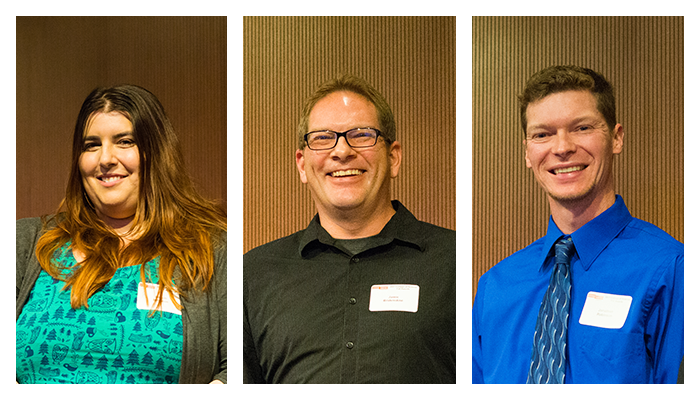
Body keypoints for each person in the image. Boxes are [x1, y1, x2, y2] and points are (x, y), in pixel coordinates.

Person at [472, 65, 683, 384]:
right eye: (542, 134)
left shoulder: (673, 270)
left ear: (616, 138)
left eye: (581, 128)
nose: (561, 147)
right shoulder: (495, 287)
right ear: (528, 152)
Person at [243, 75, 456, 383]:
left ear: (393, 157)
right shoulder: (255, 274)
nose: (342, 151)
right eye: (322, 138)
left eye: (361, 135)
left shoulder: (453, 261)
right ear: (302, 164)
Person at [16, 85, 227, 384]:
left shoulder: (211, 249)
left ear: (157, 151)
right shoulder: (26, 244)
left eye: (124, 141)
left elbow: (239, 367)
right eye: (91, 145)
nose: (105, 158)